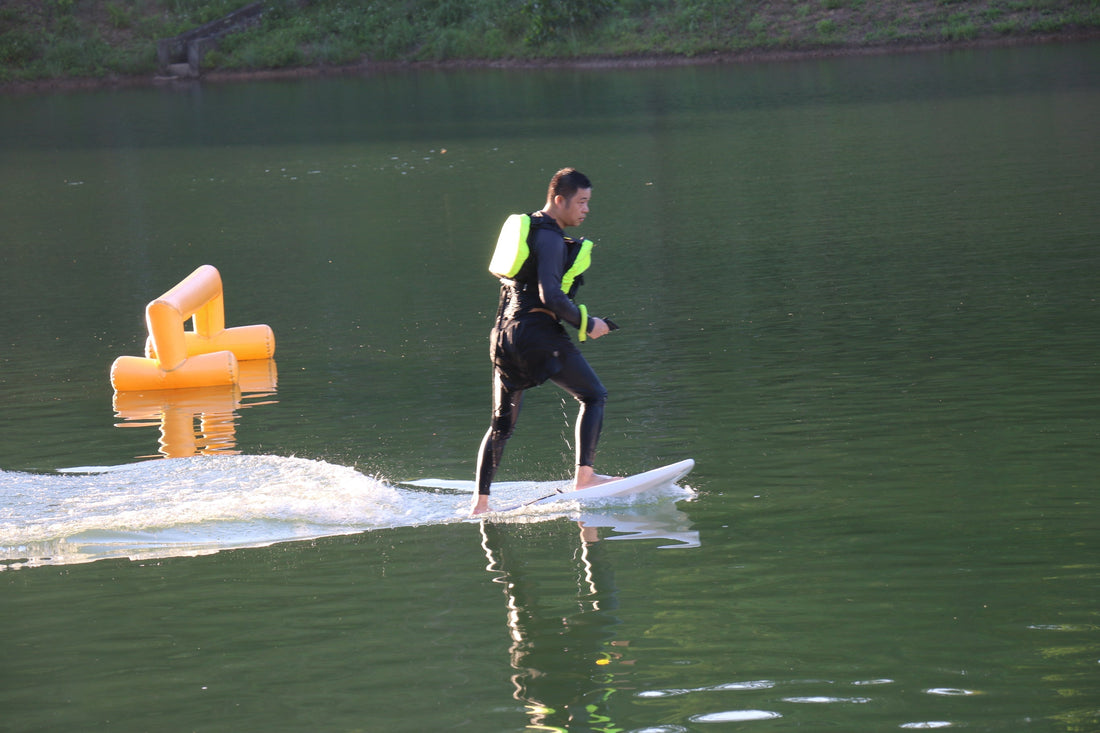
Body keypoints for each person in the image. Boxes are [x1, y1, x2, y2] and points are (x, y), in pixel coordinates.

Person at [472, 167, 616, 515]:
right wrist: (588, 322)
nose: (585, 209)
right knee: (594, 395)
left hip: (503, 338)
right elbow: (550, 295)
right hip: (536, 333)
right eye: (581, 202)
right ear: (559, 199)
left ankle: (480, 503)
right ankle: (586, 477)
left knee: (501, 426)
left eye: (588, 202)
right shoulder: (550, 237)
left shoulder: (530, 232)